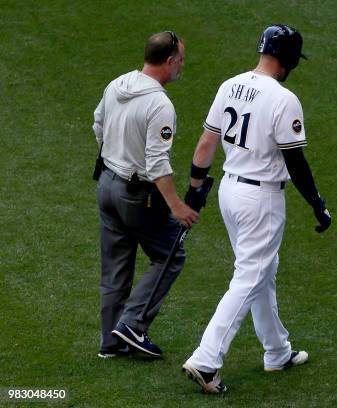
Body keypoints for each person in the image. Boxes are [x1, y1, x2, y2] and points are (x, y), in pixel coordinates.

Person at [181, 24, 331, 393]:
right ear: (290, 59)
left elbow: (205, 143)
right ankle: (206, 358)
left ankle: (277, 351)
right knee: (250, 275)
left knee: (263, 269)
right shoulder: (283, 98)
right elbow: (296, 162)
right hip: (261, 198)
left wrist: (194, 189)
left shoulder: (230, 85)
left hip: (230, 192)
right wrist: (317, 204)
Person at [92, 31, 198, 359]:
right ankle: (133, 324)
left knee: (115, 268)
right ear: (168, 61)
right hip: (137, 196)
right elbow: (156, 163)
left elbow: (98, 125)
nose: (181, 66)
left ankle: (110, 345)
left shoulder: (117, 83)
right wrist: (176, 205)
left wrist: (117, 158)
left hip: (106, 184)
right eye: (180, 61)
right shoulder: (160, 105)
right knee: (170, 254)